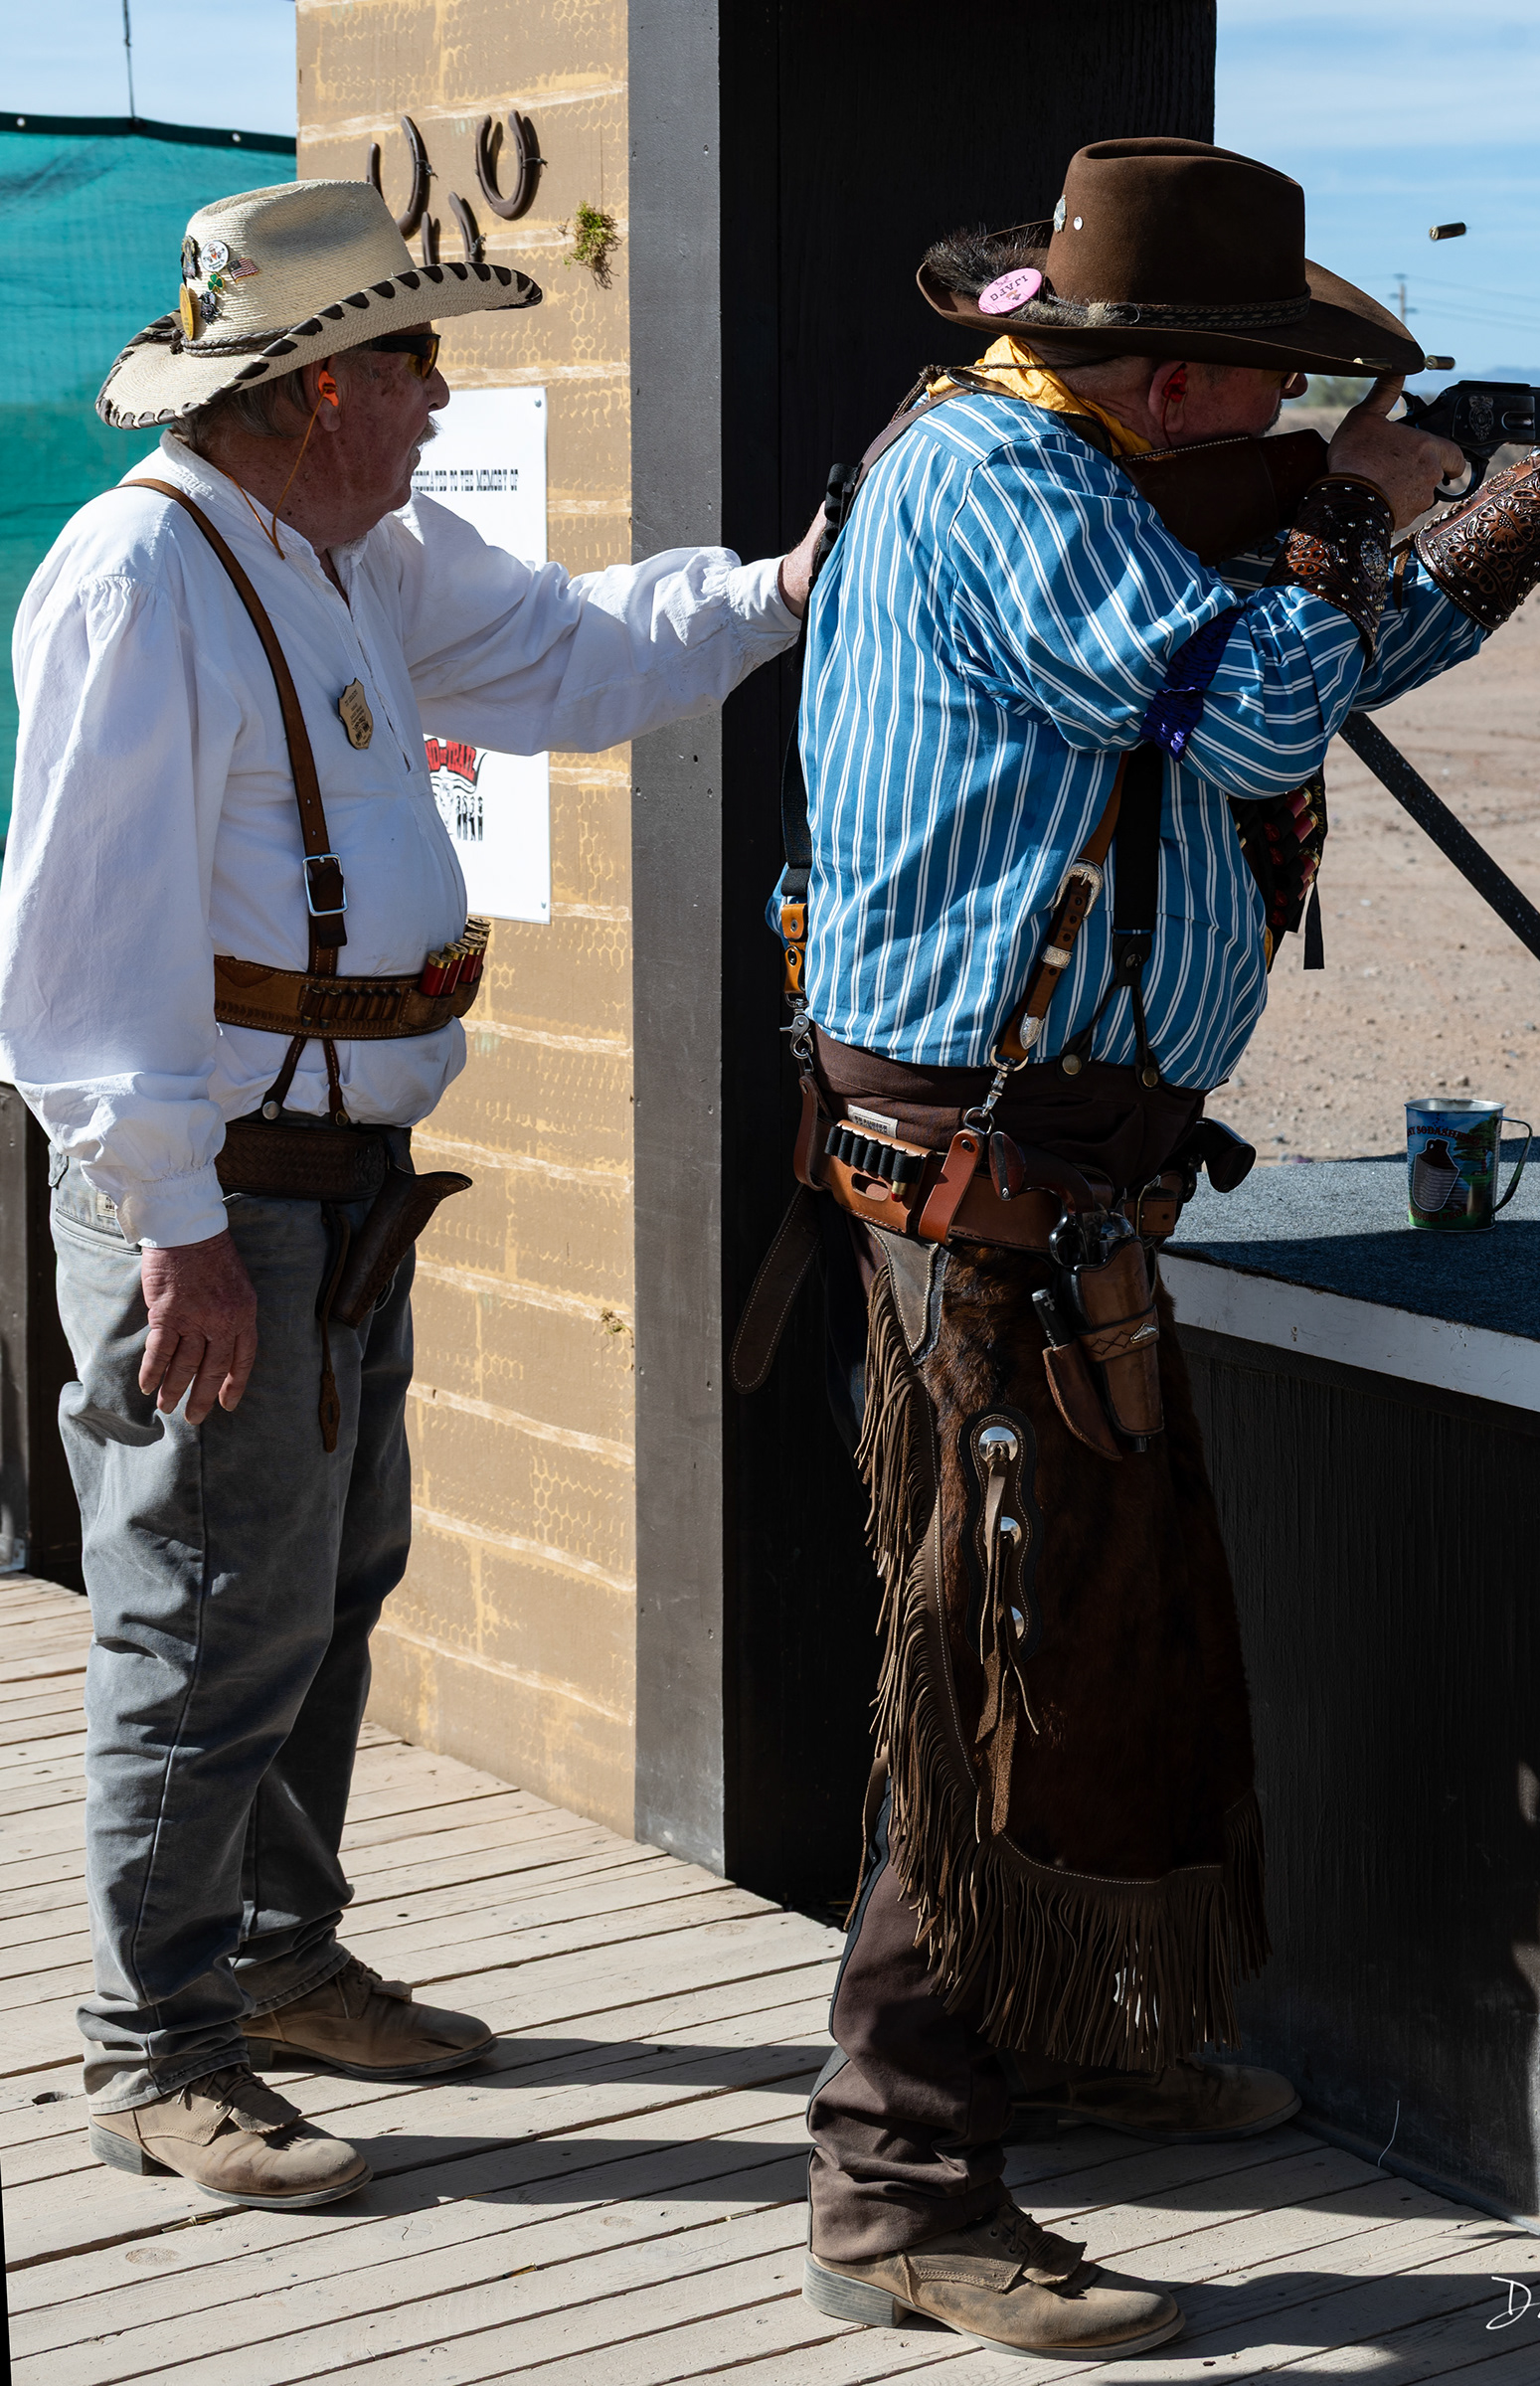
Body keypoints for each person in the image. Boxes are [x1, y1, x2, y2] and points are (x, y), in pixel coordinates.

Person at [771, 138, 1540, 2359]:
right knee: (994, 1682)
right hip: (989, 1179)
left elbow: (1348, 655)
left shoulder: (1111, 481)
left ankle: (1067, 2039)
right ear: (1181, 381)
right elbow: (1256, 705)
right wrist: (1349, 504)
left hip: (1063, 1182)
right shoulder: (999, 482)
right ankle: (895, 2179)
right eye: (1272, 385)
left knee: (1104, 1651)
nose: (1292, 417)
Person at [0, 178, 822, 2211]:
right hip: (218, 1196)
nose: (442, 394)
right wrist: (176, 1226)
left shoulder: (358, 549)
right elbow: (79, 957)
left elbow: (570, 655)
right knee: (204, 1612)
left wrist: (790, 586)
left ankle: (276, 1962)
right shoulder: (144, 572)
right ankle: (155, 2042)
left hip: (327, 1184)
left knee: (322, 1589)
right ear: (316, 391)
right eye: (416, 359)